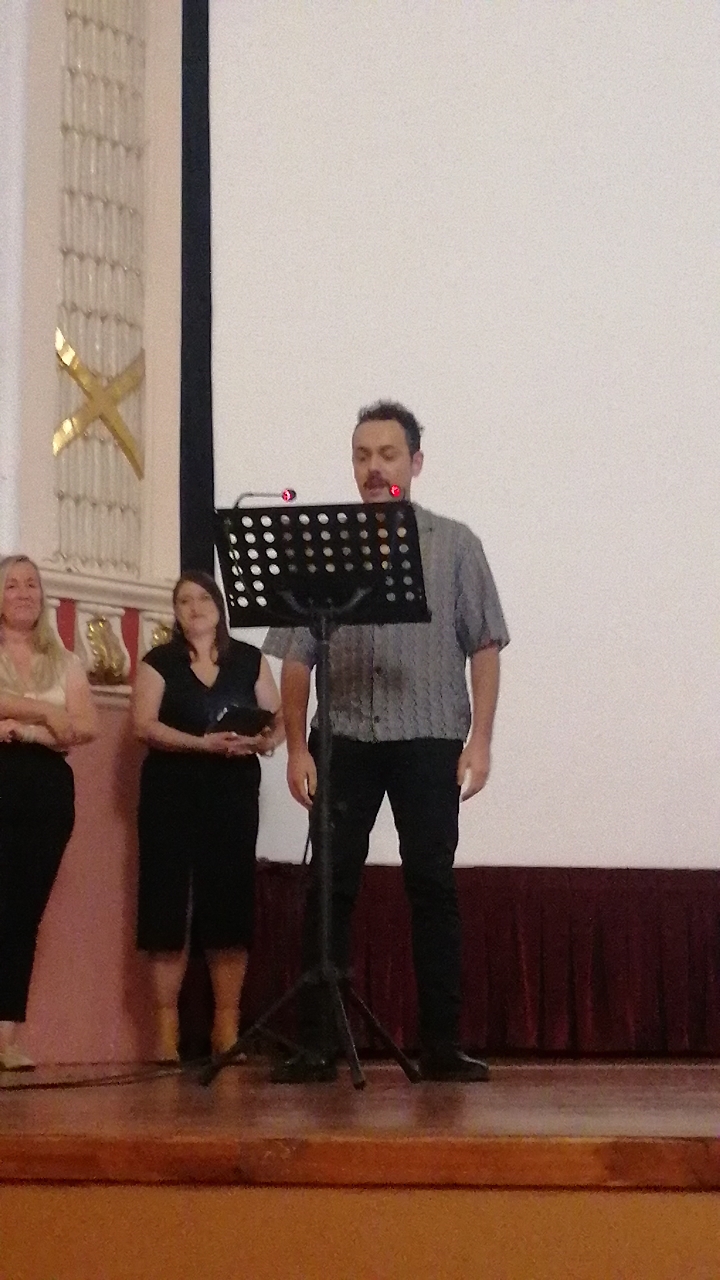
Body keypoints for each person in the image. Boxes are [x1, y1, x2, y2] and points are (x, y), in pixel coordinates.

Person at [264, 401, 509, 1082]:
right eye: (363, 455)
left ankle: (441, 1045)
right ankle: (318, 1044)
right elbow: (295, 657)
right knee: (330, 886)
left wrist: (481, 741)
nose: (374, 468)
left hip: (430, 736)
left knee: (430, 885)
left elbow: (485, 646)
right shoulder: (322, 545)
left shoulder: (455, 544)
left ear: (416, 462)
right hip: (343, 737)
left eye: (388, 455)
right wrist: (297, 747)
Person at [131, 570, 284, 1063]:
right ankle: (165, 1034)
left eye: (203, 598)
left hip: (232, 794)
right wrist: (202, 744)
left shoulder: (250, 660)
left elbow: (278, 719)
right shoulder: (159, 662)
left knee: (228, 905)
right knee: (167, 906)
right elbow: (143, 726)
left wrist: (263, 741)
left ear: (220, 606)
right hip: (170, 794)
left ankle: (226, 1028)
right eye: (184, 601)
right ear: (175, 612)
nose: (194, 607)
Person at [0, 554, 99, 1070]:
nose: (24, 593)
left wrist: (21, 728)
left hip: (45, 789)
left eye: (31, 585)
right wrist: (44, 711)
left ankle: (6, 1038)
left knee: (21, 914)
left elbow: (86, 726)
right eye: (12, 585)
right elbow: (61, 719)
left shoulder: (64, 660)